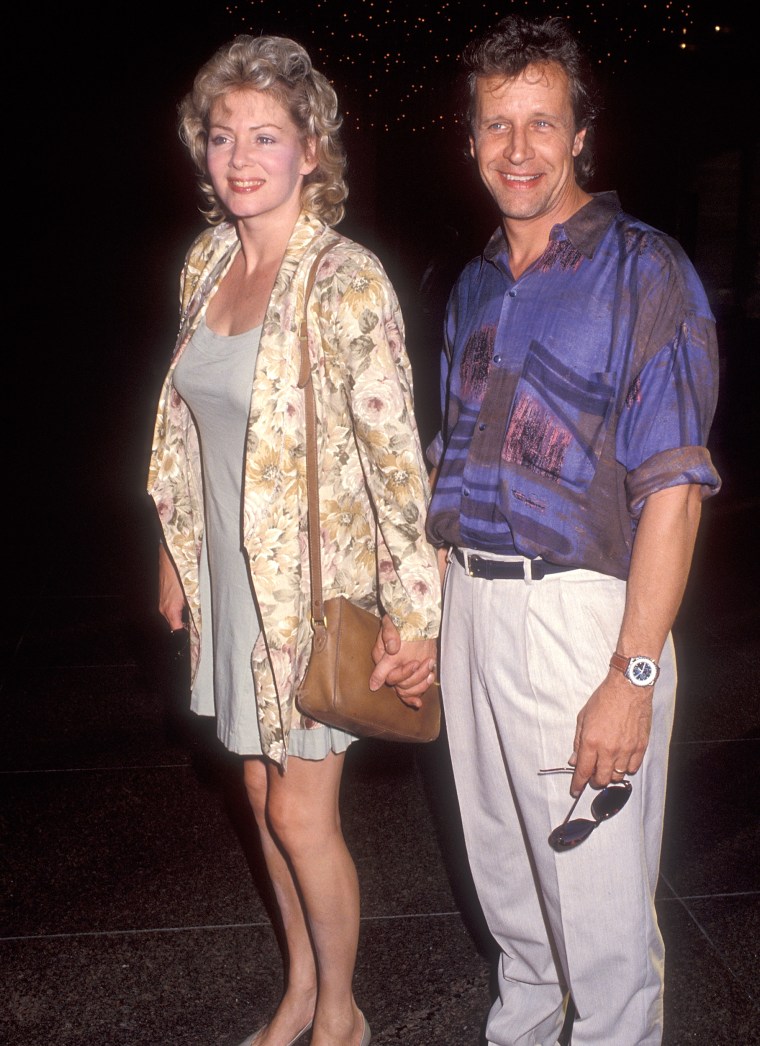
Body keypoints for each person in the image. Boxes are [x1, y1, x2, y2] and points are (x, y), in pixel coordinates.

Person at [381, 13, 721, 1046]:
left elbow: (675, 487)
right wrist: (424, 620)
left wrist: (634, 674)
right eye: (496, 125)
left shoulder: (643, 271)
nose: (518, 149)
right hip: (476, 609)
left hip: (583, 620)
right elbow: (453, 472)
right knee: (514, 906)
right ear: (469, 140)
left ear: (581, 136)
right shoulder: (475, 282)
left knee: (603, 926)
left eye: (542, 123)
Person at [147, 35, 440, 1046]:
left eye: (264, 136)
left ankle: (342, 1016)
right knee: (263, 794)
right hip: (230, 579)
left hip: (309, 590)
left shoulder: (344, 278)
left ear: (309, 149)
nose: (238, 157)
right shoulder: (208, 260)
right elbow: (188, 427)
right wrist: (175, 551)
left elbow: (397, 459)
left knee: (302, 814)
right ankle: (300, 992)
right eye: (222, 135)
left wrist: (417, 613)